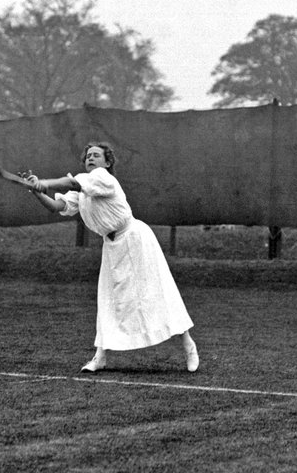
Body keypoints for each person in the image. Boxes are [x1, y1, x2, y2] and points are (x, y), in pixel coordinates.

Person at [26, 142, 199, 373]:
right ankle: (100, 357)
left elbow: (71, 181)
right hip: (112, 246)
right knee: (108, 300)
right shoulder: (83, 189)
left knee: (159, 292)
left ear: (107, 162)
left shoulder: (103, 178)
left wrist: (44, 181)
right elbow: (56, 206)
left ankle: (189, 345)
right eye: (88, 156)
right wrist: (38, 192)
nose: (91, 158)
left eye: (96, 155)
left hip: (136, 239)